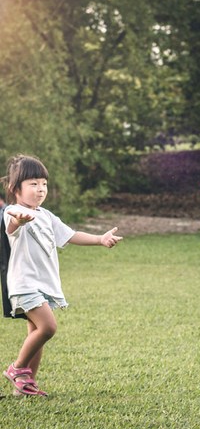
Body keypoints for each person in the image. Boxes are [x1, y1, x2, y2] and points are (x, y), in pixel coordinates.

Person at [1, 155, 123, 397]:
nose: (40, 189)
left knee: (36, 332)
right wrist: (19, 220)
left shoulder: (46, 215)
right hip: (24, 283)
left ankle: (25, 387)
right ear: (16, 189)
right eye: (33, 183)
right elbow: (11, 226)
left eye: (44, 183)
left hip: (42, 284)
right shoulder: (13, 211)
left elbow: (70, 235)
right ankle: (17, 369)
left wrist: (100, 239)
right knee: (47, 327)